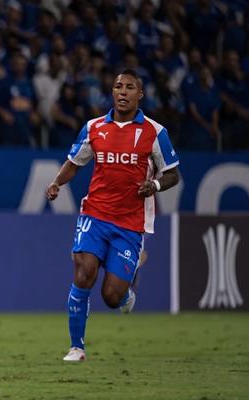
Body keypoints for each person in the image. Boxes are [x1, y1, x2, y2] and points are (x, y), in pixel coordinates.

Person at [45, 69, 180, 362]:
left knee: (111, 296)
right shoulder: (94, 127)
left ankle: (128, 289)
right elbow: (74, 162)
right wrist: (57, 182)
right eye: (118, 86)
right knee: (83, 273)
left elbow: (173, 175)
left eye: (129, 87)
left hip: (130, 224)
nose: (122, 91)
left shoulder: (155, 133)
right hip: (94, 214)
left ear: (139, 95)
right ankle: (76, 347)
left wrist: (154, 185)